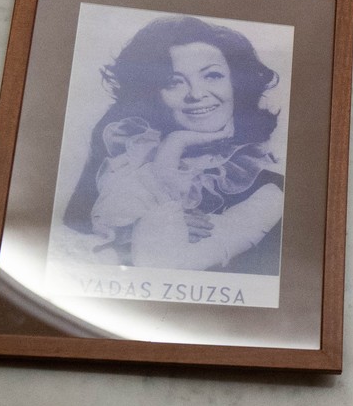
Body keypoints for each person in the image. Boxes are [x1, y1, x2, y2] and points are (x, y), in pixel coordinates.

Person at [61, 15, 284, 274]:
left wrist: (156, 228)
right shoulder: (124, 151)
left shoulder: (267, 184)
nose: (196, 94)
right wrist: (143, 227)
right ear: (152, 92)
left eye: (212, 76)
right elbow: (74, 234)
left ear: (237, 84)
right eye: (174, 82)